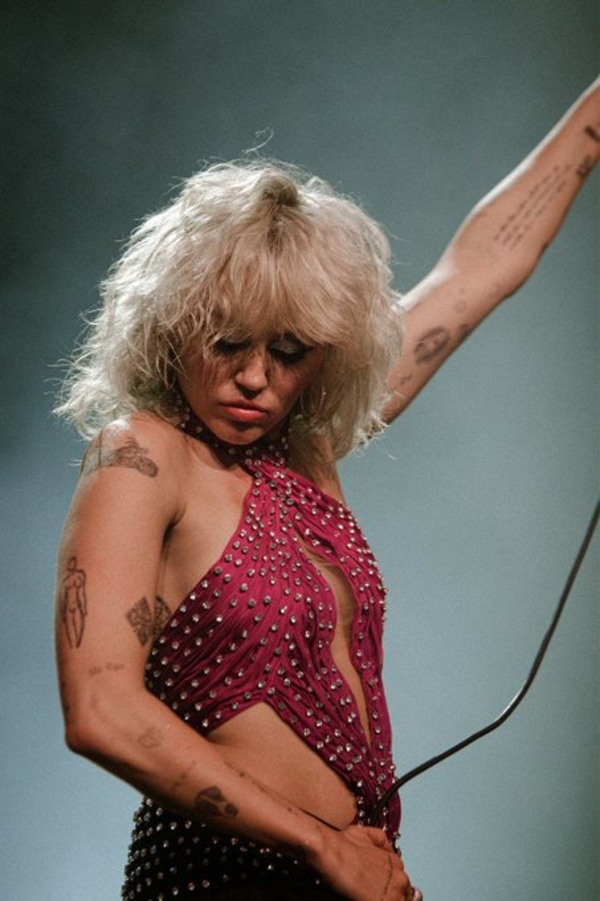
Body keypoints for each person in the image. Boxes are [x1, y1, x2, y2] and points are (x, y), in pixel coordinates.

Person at [55, 79, 598, 901]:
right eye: (228, 342)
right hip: (214, 877)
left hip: (355, 877)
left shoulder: (306, 451)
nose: (255, 377)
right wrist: (319, 843)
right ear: (174, 325)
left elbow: (479, 269)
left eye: (290, 352)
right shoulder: (140, 456)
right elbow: (100, 708)